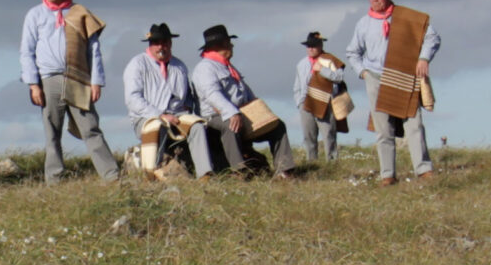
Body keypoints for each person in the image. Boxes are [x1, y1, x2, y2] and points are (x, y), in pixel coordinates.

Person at [18, 0, 120, 183]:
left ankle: (111, 175)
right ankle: (54, 178)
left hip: (77, 76)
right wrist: (33, 84)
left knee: (90, 127)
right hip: (49, 79)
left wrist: (96, 81)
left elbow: (93, 49)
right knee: (52, 132)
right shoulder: (34, 15)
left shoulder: (80, 12)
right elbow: (26, 51)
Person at [343, 0, 438, 184]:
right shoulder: (363, 24)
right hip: (376, 77)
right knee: (383, 129)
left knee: (414, 124)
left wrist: (423, 58)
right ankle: (388, 174)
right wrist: (363, 73)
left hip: (404, 75)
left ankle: (423, 169)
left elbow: (432, 37)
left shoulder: (407, 18)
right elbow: (352, 52)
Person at [193, 25, 298, 176]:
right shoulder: (205, 68)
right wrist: (231, 112)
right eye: (228, 42)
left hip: (241, 112)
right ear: (219, 45)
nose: (232, 45)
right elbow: (212, 95)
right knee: (231, 125)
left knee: (277, 126)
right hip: (214, 116)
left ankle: (285, 170)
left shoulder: (228, 67)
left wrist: (257, 108)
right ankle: (240, 171)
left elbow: (245, 92)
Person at [123, 23, 204, 176]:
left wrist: (187, 106)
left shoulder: (179, 66)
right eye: (157, 43)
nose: (161, 47)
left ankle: (205, 173)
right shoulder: (137, 64)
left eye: (165, 42)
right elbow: (132, 99)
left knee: (197, 127)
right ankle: (152, 171)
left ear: (170, 44)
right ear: (150, 45)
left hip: (176, 115)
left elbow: (188, 94)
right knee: (158, 126)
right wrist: (159, 115)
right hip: (146, 117)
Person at [293, 32, 350, 164]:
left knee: (329, 134)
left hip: (326, 102)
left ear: (320, 46)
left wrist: (323, 70)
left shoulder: (330, 60)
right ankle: (312, 164)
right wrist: (299, 103)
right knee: (309, 137)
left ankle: (332, 164)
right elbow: (297, 86)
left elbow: (339, 77)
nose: (310, 49)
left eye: (313, 46)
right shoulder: (301, 64)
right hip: (306, 103)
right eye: (308, 46)